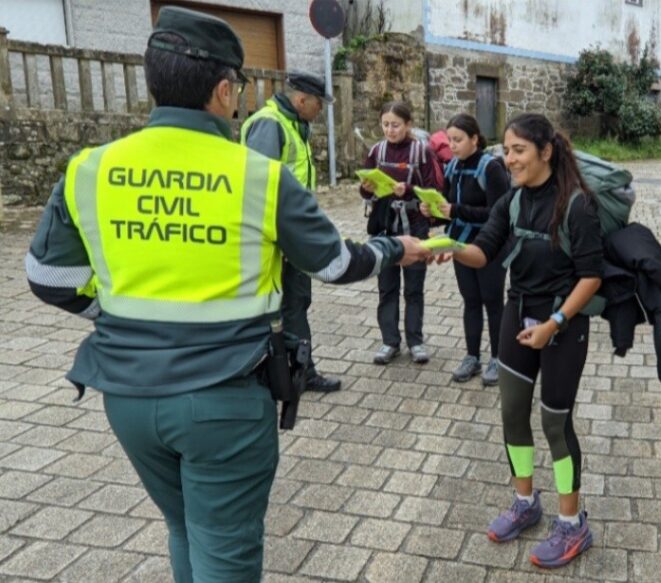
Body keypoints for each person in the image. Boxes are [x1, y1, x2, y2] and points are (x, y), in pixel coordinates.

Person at [23, 8, 429, 581]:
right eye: (236, 87)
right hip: (224, 398)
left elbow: (47, 276)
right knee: (224, 549)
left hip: (127, 395)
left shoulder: (90, 169)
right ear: (222, 90)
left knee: (184, 528)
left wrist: (112, 314)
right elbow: (335, 263)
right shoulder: (257, 176)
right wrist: (394, 249)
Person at [434, 113, 602, 568]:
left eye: (519, 150)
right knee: (512, 413)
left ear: (545, 152)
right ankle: (525, 502)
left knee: (555, 424)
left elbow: (591, 276)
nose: (509, 159)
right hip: (517, 312)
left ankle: (572, 523)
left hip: (564, 322)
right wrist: (450, 248)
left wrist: (555, 322)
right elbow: (484, 249)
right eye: (506, 150)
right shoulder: (510, 201)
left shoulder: (577, 205)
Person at [241, 70, 341, 393]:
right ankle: (293, 375)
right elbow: (259, 187)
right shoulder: (270, 125)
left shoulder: (293, 125)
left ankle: (294, 372)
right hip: (279, 238)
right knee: (287, 305)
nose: (320, 110)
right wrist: (280, 238)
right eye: (318, 104)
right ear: (301, 100)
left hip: (292, 234)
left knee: (296, 301)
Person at [420, 114, 510, 385]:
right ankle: (472, 357)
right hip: (460, 245)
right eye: (449, 140)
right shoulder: (452, 167)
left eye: (458, 140)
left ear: (474, 139)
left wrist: (455, 210)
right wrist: (433, 212)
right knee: (471, 301)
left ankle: (499, 359)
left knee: (493, 302)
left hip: (490, 246)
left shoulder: (491, 168)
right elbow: (449, 209)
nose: (452, 145)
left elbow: (498, 213)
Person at [360, 102, 441, 365]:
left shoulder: (422, 151)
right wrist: (366, 188)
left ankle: (415, 342)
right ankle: (390, 342)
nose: (390, 130)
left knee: (414, 288)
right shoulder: (376, 151)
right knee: (387, 287)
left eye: (395, 125)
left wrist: (407, 190)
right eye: (385, 124)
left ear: (408, 125)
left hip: (415, 226)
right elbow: (366, 192)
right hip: (385, 227)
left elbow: (433, 190)